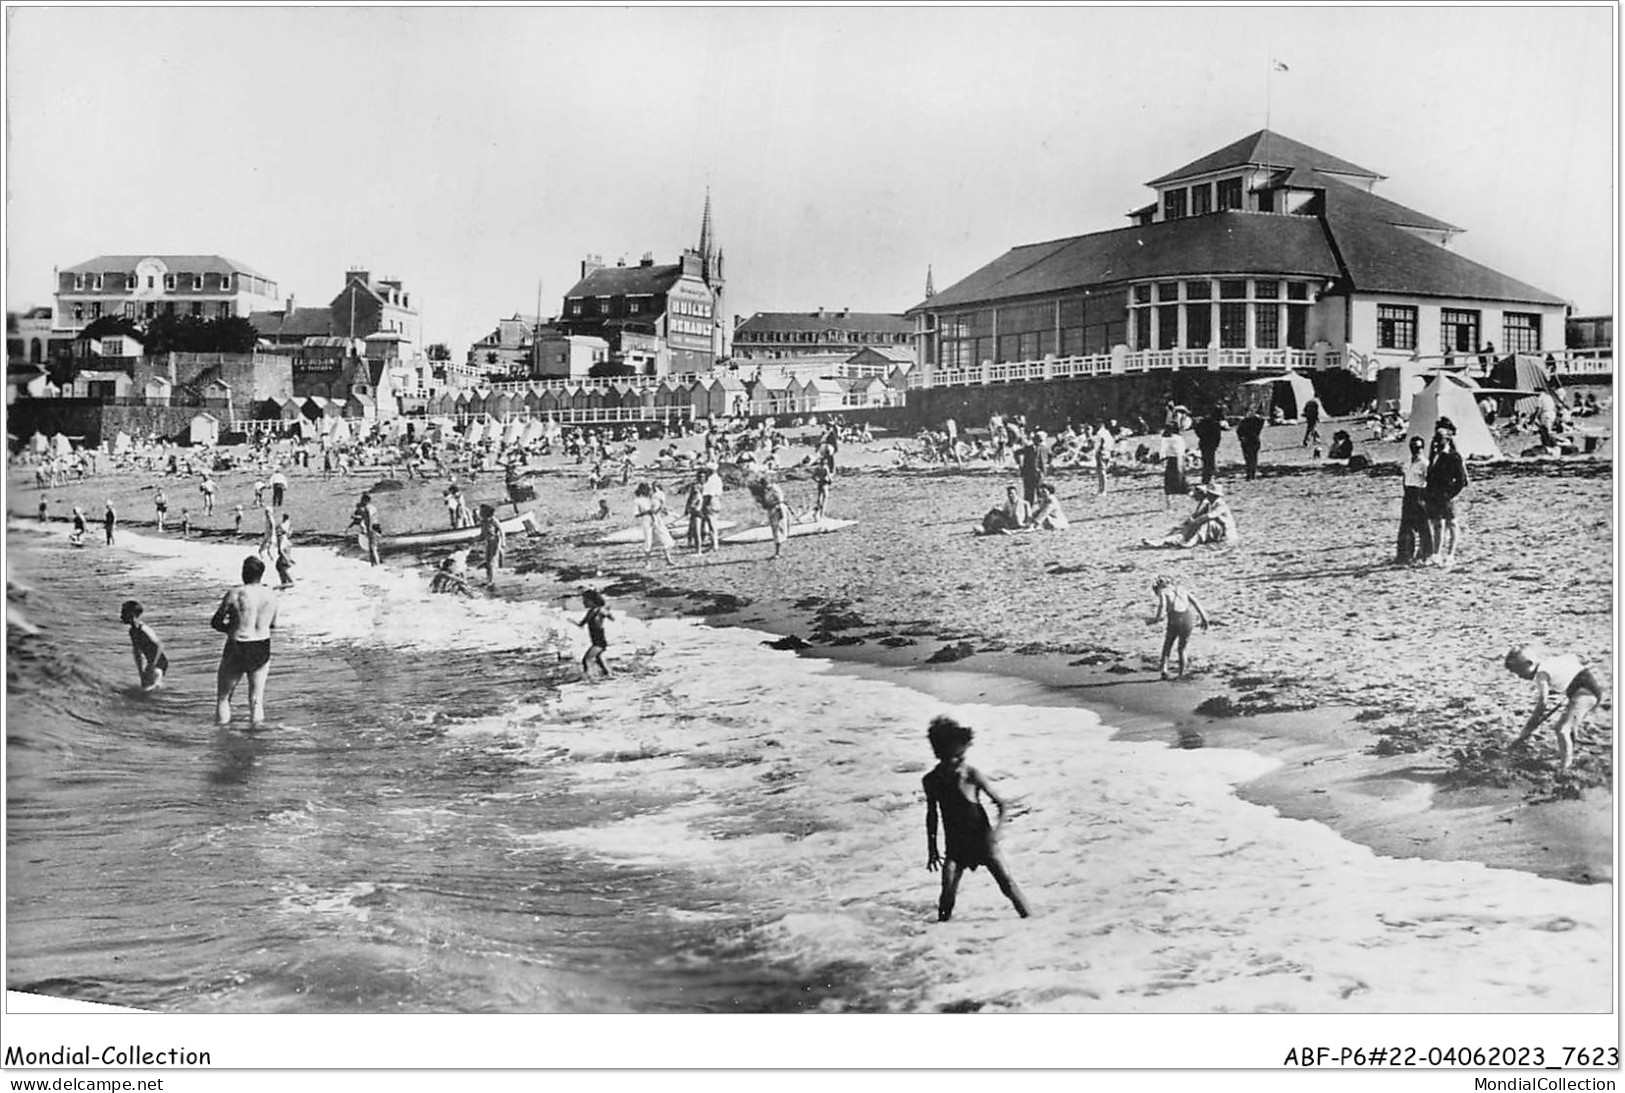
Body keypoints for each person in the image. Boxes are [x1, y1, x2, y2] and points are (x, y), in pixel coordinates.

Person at [922, 715, 1030, 923]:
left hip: (983, 841)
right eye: (952, 757)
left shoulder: (971, 775)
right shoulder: (931, 780)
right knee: (947, 894)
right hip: (956, 845)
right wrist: (932, 849)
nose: (958, 762)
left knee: (1007, 885)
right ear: (939, 753)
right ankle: (939, 936)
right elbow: (932, 815)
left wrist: (997, 832)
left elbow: (1002, 804)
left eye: (959, 756)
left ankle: (1033, 922)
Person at [1505, 644, 1605, 773]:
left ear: (1528, 663)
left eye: (1519, 672)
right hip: (1584, 689)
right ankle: (1569, 754)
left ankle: (1565, 769)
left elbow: (1542, 703)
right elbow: (1578, 658)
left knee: (1562, 729)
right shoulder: (1551, 661)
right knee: (1569, 725)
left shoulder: (1541, 674)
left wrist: (1529, 727)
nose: (1520, 677)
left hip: (1585, 694)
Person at [210, 555, 280, 728]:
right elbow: (274, 625)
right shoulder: (271, 595)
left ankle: (223, 737)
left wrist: (231, 628)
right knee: (256, 700)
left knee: (224, 697)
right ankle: (256, 738)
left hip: (238, 644)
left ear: (243, 573)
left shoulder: (235, 593)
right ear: (261, 574)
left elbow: (216, 622)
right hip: (262, 645)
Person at [1423, 420, 1468, 568]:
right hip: (1435, 495)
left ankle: (1450, 554)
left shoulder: (1453, 456)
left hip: (1447, 495)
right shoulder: (1434, 456)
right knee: (1437, 525)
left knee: (1452, 523)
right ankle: (1436, 553)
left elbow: (1461, 480)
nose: (1437, 442)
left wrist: (1450, 494)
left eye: (1440, 439)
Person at [1148, 575, 1210, 679]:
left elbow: (1162, 606)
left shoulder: (1163, 592)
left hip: (1175, 619)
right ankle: (1181, 674)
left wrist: (1156, 619)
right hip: (1188, 618)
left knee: (1167, 645)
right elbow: (1195, 602)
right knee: (1182, 649)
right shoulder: (1181, 589)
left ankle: (1164, 669)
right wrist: (1204, 617)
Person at [1142, 483, 1237, 548]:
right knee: (1185, 527)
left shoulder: (1220, 504)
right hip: (1214, 530)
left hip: (1225, 532)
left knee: (1206, 523)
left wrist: (1194, 522)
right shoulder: (1209, 504)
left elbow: (1209, 516)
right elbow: (1197, 515)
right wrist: (1187, 523)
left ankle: (1190, 541)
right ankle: (1164, 540)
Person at [1395, 434, 1433, 566]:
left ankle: (1426, 554)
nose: (1415, 451)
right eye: (1413, 448)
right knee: (1406, 527)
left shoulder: (1425, 463)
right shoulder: (1408, 462)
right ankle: (1405, 555)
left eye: (1418, 448)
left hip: (1420, 493)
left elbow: (1430, 481)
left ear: (1422, 448)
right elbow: (1405, 479)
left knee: (1423, 527)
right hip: (1408, 494)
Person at [120, 600, 169, 691]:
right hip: (150, 663)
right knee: (145, 688)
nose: (121, 616)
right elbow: (137, 652)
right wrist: (141, 672)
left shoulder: (144, 630)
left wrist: (152, 665)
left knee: (151, 689)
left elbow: (159, 645)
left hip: (159, 662)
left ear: (132, 614)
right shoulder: (132, 632)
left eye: (124, 612)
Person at [633, 482, 677, 566]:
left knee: (664, 538)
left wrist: (662, 509)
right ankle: (647, 562)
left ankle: (668, 559)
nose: (650, 490)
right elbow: (636, 514)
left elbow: (657, 507)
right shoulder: (637, 500)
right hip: (646, 521)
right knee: (648, 541)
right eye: (647, 489)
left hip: (657, 519)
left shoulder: (652, 498)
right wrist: (647, 512)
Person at [574, 589, 614, 680]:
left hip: (599, 641)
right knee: (599, 659)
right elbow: (582, 624)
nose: (583, 602)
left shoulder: (600, 611)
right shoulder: (590, 612)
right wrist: (574, 622)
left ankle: (588, 677)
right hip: (595, 641)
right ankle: (608, 674)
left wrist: (608, 613)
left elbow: (612, 618)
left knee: (586, 659)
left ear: (593, 601)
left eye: (585, 600)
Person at [1192, 408, 1226, 485]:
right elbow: (1218, 435)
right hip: (1211, 444)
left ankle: (1206, 477)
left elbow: (1198, 431)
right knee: (1209, 461)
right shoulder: (1215, 424)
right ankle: (1207, 478)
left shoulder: (1202, 423)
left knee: (1206, 461)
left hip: (1203, 443)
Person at [477, 504, 506, 587]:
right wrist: (474, 540)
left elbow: (501, 531)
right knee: (487, 561)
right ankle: (488, 580)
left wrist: (503, 542)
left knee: (491, 562)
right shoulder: (483, 522)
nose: (480, 514)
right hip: (488, 542)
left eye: (481, 512)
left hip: (495, 541)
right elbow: (482, 535)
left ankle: (491, 581)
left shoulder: (493, 520)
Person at [1158, 424, 1187, 508]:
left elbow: (1162, 451)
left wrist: (1161, 459)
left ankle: (1169, 505)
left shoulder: (1166, 439)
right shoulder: (1178, 438)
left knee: (1169, 482)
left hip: (1172, 460)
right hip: (1179, 459)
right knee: (1181, 480)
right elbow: (1182, 450)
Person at [1017, 430, 1048, 506]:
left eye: (1041, 441)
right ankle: (1028, 511)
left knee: (1040, 493)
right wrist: (1020, 464)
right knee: (1028, 495)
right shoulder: (1028, 448)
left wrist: (1046, 466)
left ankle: (1042, 510)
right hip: (1028, 473)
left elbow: (1051, 456)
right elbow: (1017, 453)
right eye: (1038, 440)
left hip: (1039, 474)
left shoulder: (1045, 448)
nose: (1039, 442)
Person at [1235, 408, 1265, 481]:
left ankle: (1252, 474)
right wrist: (1241, 438)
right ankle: (1249, 474)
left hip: (1254, 441)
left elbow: (1261, 421)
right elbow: (1238, 431)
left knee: (1253, 458)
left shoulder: (1256, 421)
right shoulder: (1244, 422)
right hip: (1246, 442)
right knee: (1248, 459)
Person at [273, 513, 295, 588]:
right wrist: (288, 560)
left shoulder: (285, 539)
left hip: (283, 562)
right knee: (291, 582)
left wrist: (290, 559)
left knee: (284, 582)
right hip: (283, 563)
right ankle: (276, 587)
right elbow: (280, 550)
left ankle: (280, 589)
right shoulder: (282, 538)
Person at [810, 452, 834, 522]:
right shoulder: (825, 468)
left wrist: (817, 480)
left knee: (819, 498)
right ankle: (822, 514)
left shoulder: (817, 468)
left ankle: (816, 513)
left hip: (820, 483)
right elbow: (829, 476)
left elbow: (813, 476)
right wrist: (830, 480)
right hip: (825, 483)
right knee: (825, 498)